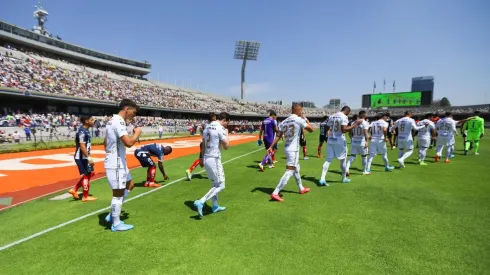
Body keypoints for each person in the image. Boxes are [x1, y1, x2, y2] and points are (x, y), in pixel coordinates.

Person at [104, 99, 142, 232]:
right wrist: (137, 133)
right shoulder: (119, 121)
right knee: (118, 194)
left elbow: (105, 142)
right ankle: (116, 223)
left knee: (130, 184)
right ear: (127, 108)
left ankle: (112, 214)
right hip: (116, 163)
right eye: (134, 112)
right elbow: (128, 143)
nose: (134, 115)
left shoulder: (111, 121)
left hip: (118, 161)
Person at [267, 103, 314, 202]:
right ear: (297, 110)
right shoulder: (298, 119)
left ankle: (301, 188)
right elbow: (311, 129)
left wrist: (271, 146)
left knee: (296, 168)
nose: (301, 112)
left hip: (287, 148)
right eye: (300, 110)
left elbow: (279, 136)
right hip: (294, 149)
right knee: (290, 170)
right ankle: (275, 192)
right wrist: (304, 118)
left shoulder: (285, 121)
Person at [193, 112, 230, 218]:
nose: (227, 125)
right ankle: (201, 201)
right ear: (224, 120)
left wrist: (201, 158)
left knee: (214, 184)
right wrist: (227, 133)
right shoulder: (220, 128)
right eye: (227, 123)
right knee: (221, 185)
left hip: (207, 158)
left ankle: (215, 206)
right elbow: (226, 146)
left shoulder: (206, 127)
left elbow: (203, 144)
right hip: (214, 159)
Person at [319, 106, 360, 185]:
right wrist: (355, 125)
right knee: (343, 160)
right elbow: (344, 130)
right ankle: (344, 178)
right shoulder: (344, 117)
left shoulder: (331, 116)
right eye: (349, 113)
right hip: (339, 140)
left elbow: (327, 126)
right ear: (347, 111)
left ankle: (322, 178)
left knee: (328, 160)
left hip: (330, 140)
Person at [68, 115, 96, 202]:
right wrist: (88, 158)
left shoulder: (85, 131)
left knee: (90, 173)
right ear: (86, 121)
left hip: (84, 156)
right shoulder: (82, 131)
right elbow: (82, 146)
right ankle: (85, 196)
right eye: (92, 120)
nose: (93, 121)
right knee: (86, 176)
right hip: (81, 157)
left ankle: (74, 189)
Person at [345, 110, 370, 176]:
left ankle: (347, 169)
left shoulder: (353, 122)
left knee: (352, 156)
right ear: (365, 116)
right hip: (362, 142)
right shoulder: (366, 123)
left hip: (354, 142)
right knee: (364, 157)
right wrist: (367, 142)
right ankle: (364, 171)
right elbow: (365, 132)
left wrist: (351, 138)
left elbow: (349, 132)